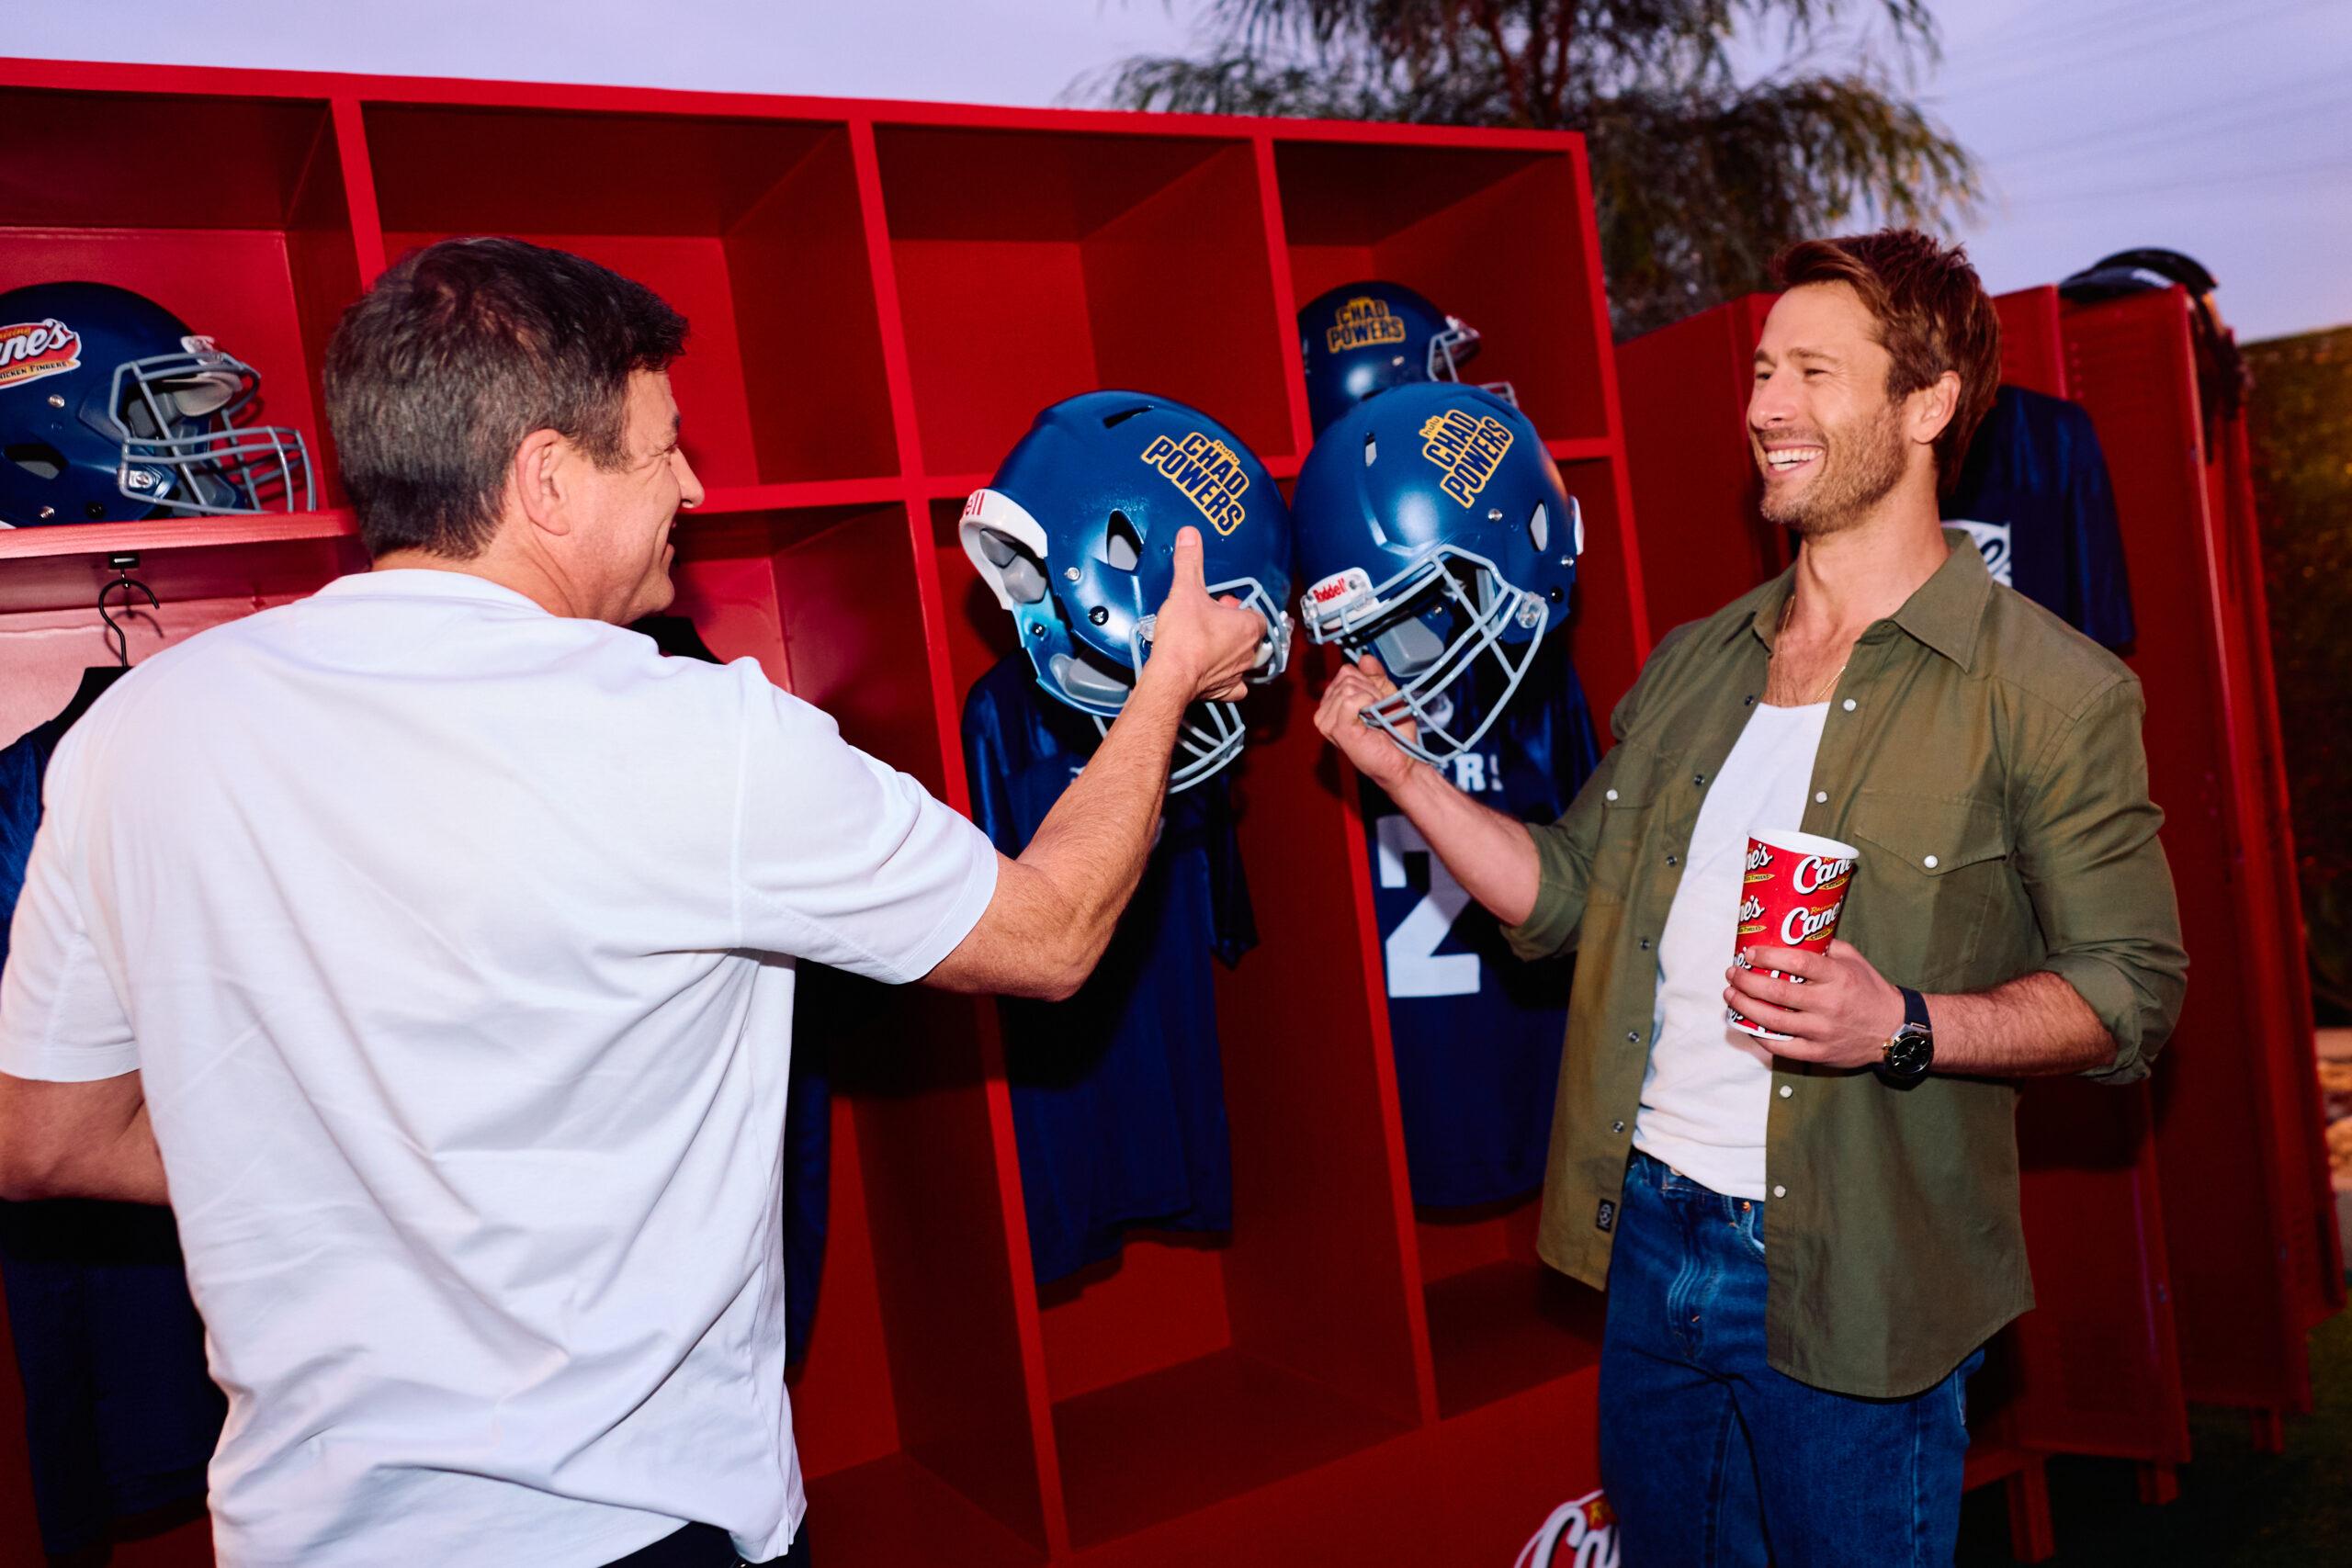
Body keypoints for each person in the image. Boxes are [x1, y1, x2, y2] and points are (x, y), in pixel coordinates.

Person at [0, 237, 1271, 1568]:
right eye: (663, 449)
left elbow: (43, 1139)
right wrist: (1165, 678)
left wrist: (333, 1162)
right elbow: (1054, 935)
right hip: (626, 1529)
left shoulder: (130, 737)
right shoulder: (698, 738)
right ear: (547, 479)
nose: (695, 487)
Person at [1314, 228, 2187, 1565]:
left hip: (1859, 1270)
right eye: (1764, 370)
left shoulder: (2051, 691)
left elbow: (2133, 994)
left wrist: (1901, 1022)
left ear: (1929, 402)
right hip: (1651, 1237)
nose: (1766, 407)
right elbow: (1565, 899)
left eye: (1814, 375)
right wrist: (1400, 773)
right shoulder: (1694, 662)